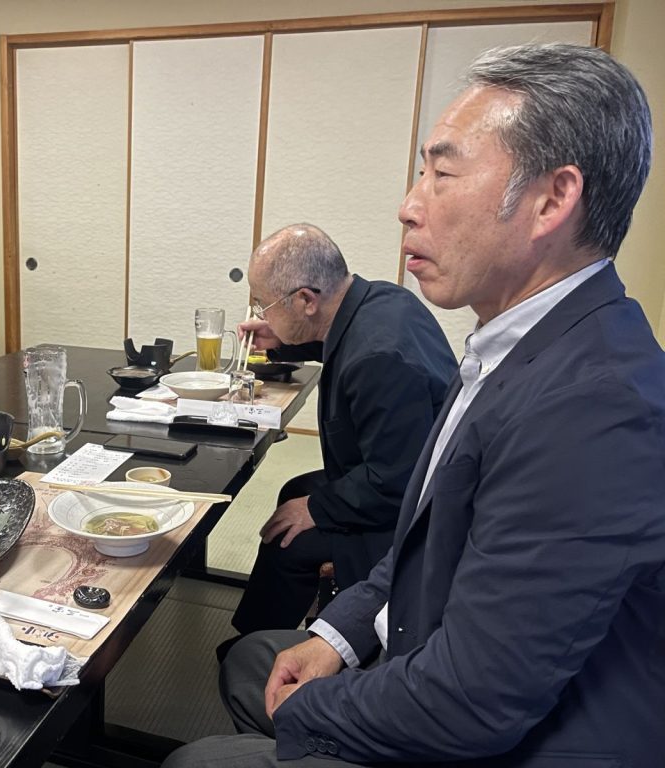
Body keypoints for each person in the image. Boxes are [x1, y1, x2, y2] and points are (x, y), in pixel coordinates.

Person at [164, 43, 663, 768]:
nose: (409, 205)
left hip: (497, 737)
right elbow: (425, 536)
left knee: (196, 759)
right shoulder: (519, 342)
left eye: (442, 173)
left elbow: (470, 704)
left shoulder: (595, 407)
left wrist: (311, 712)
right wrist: (335, 638)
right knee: (253, 667)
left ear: (552, 200)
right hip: (429, 642)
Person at [223, 224, 456, 654]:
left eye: (264, 305)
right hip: (396, 474)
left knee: (290, 540)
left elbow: (396, 481)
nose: (260, 315)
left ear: (305, 300)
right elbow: (338, 339)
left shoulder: (379, 359)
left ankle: (257, 649)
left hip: (417, 516)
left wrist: (317, 508)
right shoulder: (380, 301)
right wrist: (281, 344)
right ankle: (264, 632)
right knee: (295, 490)